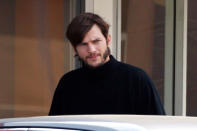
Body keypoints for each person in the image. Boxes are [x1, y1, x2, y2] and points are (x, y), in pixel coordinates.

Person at [49, 12, 165, 115]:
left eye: (96, 41)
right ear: (75, 49)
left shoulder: (137, 80)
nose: (91, 49)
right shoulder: (68, 84)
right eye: (83, 44)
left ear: (108, 40)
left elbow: (158, 126)